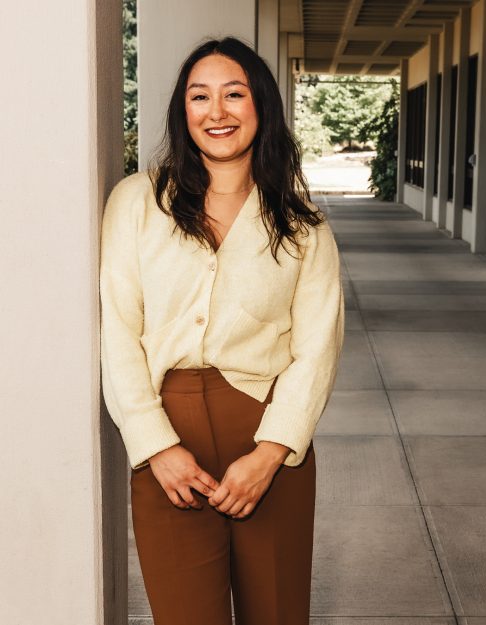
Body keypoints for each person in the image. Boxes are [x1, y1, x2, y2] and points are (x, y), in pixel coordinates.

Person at [99, 35, 345, 625]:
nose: (217, 112)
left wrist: (271, 452)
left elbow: (318, 346)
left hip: (268, 434)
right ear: (182, 111)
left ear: (260, 104)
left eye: (234, 94)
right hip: (169, 444)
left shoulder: (301, 221)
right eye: (199, 96)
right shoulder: (137, 202)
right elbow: (118, 330)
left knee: (278, 613)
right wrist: (155, 446)